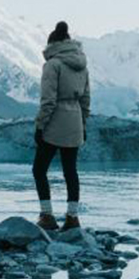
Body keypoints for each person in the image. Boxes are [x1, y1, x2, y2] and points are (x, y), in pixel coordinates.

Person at [33, 21, 90, 231]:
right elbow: (86, 99)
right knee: (70, 171)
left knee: (39, 169)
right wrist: (83, 123)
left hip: (56, 120)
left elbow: (48, 100)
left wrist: (40, 126)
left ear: (52, 44)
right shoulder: (82, 64)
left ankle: (47, 215)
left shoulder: (53, 64)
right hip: (74, 118)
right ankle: (72, 217)